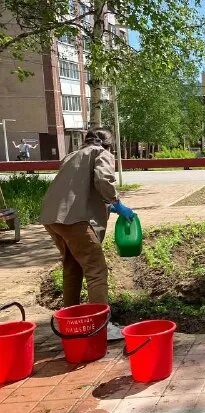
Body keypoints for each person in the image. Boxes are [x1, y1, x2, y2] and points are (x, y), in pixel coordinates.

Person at [40, 128, 135, 339]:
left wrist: (106, 207)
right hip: (74, 220)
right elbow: (102, 180)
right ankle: (102, 326)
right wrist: (116, 203)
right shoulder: (101, 153)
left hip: (52, 217)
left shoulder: (72, 155)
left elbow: (79, 190)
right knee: (96, 269)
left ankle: (69, 321)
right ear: (109, 144)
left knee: (72, 266)